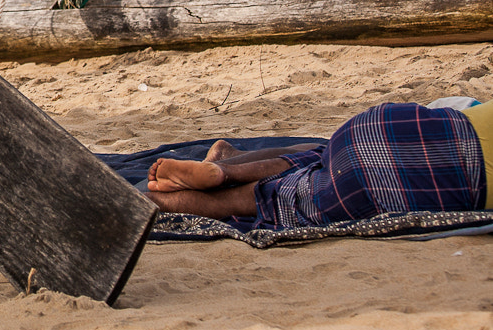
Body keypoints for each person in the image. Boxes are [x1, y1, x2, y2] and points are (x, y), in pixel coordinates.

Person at [145, 101, 492, 229]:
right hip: (376, 184)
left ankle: (227, 167)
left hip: (381, 124)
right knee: (267, 198)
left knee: (322, 154)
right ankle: (166, 199)